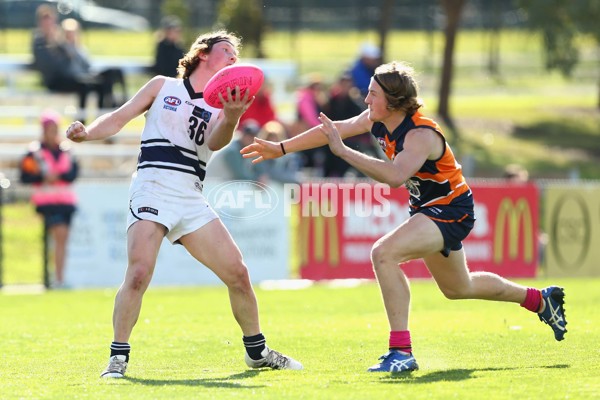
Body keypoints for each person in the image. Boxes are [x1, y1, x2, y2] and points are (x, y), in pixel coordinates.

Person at [241, 61, 567, 373]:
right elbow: (333, 130)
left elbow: (396, 176)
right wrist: (281, 148)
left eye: (373, 94)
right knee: (458, 287)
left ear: (394, 102)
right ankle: (540, 300)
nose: (366, 98)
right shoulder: (378, 117)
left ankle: (401, 352)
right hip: (429, 207)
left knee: (383, 254)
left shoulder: (420, 134)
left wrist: (344, 152)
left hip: (449, 209)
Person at [66, 30, 302, 378]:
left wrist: (233, 117)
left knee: (238, 273)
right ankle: (117, 358)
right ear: (203, 54)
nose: (233, 58)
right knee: (139, 272)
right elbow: (119, 117)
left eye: (236, 55)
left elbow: (215, 141)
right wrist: (87, 133)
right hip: (152, 186)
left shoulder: (223, 105)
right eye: (226, 51)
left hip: (190, 194)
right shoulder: (163, 86)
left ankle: (257, 351)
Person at [19, 109, 79, 289]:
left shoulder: (67, 150)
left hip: (66, 201)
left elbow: (73, 173)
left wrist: (58, 175)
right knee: (59, 235)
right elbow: (25, 176)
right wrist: (42, 178)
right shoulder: (34, 152)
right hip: (46, 201)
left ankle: (57, 277)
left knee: (63, 238)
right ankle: (57, 279)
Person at [31, 5, 124, 118]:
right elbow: (50, 65)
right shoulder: (39, 40)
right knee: (83, 85)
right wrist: (56, 43)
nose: (49, 24)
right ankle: (81, 122)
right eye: (46, 21)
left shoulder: (58, 39)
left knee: (99, 84)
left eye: (51, 20)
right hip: (56, 80)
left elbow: (74, 58)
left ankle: (101, 118)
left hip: (70, 77)